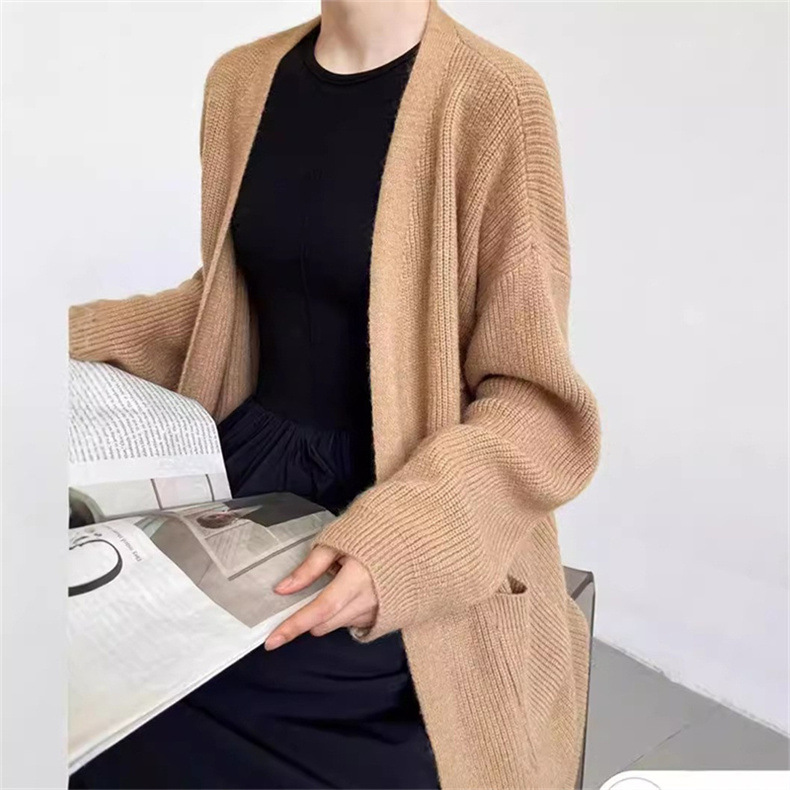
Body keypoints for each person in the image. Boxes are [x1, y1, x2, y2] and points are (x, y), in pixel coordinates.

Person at [67, 0, 602, 788]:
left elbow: (536, 407)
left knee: (217, 708)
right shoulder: (240, 81)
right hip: (242, 482)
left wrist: (400, 548)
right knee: (81, 667)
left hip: (406, 507)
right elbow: (228, 306)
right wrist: (55, 337)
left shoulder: (495, 99)